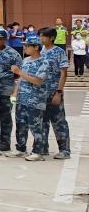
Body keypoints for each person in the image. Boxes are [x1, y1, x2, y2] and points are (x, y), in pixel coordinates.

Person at [9, 36, 54, 161]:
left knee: (36, 126)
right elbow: (21, 79)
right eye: (24, 45)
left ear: (36, 47)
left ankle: (38, 152)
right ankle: (20, 149)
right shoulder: (26, 60)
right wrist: (15, 92)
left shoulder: (44, 62)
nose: (24, 48)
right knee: (20, 125)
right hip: (22, 98)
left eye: (27, 46)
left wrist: (19, 72)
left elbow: (38, 81)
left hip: (35, 99)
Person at [39, 27, 71, 160]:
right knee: (42, 121)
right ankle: (42, 148)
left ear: (51, 38)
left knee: (59, 122)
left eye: (43, 36)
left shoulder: (59, 52)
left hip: (54, 92)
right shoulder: (39, 51)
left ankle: (64, 150)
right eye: (40, 36)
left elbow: (64, 73)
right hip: (41, 92)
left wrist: (59, 92)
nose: (41, 38)